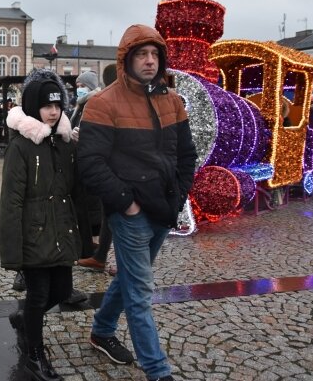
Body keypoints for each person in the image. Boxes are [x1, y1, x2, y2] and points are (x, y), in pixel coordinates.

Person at [78, 25, 197, 381]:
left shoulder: (171, 100)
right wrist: (126, 204)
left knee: (131, 277)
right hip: (131, 214)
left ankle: (101, 330)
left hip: (164, 209)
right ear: (127, 59)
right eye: (142, 54)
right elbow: (90, 163)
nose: (149, 61)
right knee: (141, 291)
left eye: (155, 54)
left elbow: (187, 156)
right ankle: (158, 370)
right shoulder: (104, 102)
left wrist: (178, 196)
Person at [0, 70, 81, 381]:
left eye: (58, 106)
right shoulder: (21, 147)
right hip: (33, 235)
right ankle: (35, 354)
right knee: (37, 295)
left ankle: (24, 320)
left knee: (61, 291)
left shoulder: (63, 143)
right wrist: (13, 250)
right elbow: (11, 201)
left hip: (60, 232)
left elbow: (73, 188)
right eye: (47, 106)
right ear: (35, 107)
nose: (53, 111)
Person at [71, 70, 117, 276]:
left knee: (100, 210)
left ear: (89, 86)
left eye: (81, 84)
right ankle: (95, 253)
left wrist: (84, 139)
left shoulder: (95, 103)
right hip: (82, 163)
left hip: (94, 164)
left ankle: (99, 252)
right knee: (94, 209)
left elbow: (102, 134)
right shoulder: (80, 105)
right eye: (76, 84)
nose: (78, 88)